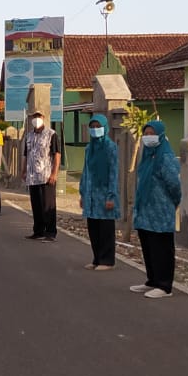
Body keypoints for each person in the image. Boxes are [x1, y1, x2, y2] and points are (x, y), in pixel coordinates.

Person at [130, 121, 182, 298]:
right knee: (149, 247)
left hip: (161, 211)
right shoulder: (147, 156)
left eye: (152, 133)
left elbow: (175, 185)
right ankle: (152, 280)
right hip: (145, 212)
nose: (148, 137)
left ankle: (164, 285)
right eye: (146, 133)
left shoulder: (166, 157)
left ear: (160, 135)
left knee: (162, 248)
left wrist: (173, 203)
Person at [79, 114, 119, 270]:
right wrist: (82, 193)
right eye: (93, 127)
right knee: (93, 228)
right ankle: (96, 259)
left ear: (105, 128)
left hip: (105, 194)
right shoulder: (89, 148)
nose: (95, 130)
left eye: (98, 127)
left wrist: (111, 196)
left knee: (105, 228)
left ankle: (107, 260)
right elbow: (85, 171)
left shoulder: (111, 147)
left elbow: (114, 173)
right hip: (90, 195)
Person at [21, 108, 62, 242]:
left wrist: (54, 173)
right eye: (34, 116)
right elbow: (26, 154)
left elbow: (56, 155)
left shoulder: (51, 134)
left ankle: (50, 232)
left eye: (39, 116)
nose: (36, 119)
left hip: (46, 176)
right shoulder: (29, 136)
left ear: (43, 117)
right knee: (36, 205)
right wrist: (23, 170)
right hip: (32, 177)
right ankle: (38, 231)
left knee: (48, 205)